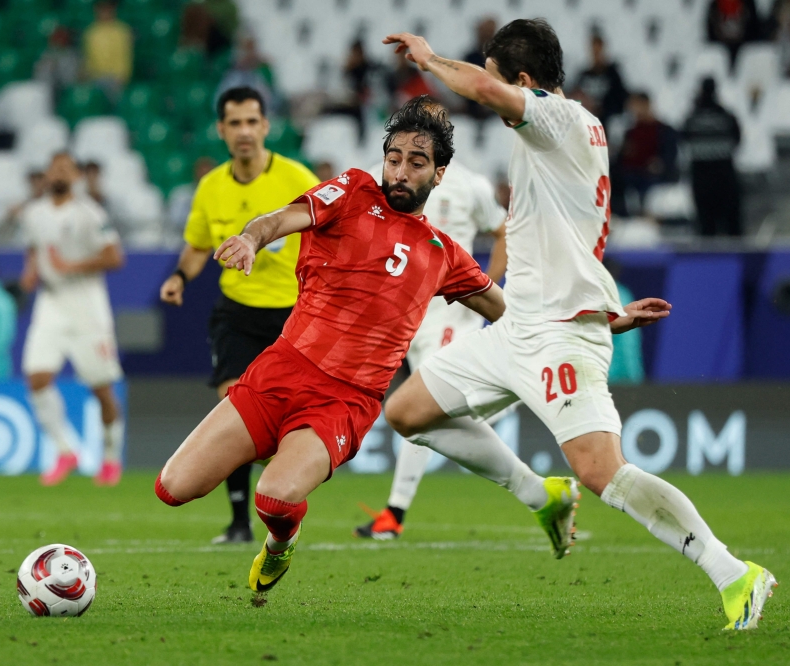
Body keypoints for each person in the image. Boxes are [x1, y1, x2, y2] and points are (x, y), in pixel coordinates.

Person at [382, 20, 776, 631]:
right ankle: (543, 495)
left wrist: (430, 60)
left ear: (523, 81)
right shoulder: (568, 131)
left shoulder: (559, 118)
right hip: (520, 325)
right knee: (407, 412)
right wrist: (606, 312)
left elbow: (491, 97)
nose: (490, 94)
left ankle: (735, 574)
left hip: (559, 333)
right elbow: (566, 227)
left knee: (601, 470)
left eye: (496, 80)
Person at [157, 96, 555, 590]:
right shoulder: (350, 191)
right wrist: (251, 239)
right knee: (172, 488)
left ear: (439, 173)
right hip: (280, 369)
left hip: (345, 399)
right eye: (394, 159)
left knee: (276, 500)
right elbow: (278, 219)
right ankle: (279, 451)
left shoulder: (444, 254)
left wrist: (599, 324)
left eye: (417, 162)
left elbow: (511, 314)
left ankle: (281, 541)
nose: (401, 172)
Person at [158, 87, 319, 545]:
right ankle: (237, 522)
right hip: (237, 313)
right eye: (236, 123)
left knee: (286, 422)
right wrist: (179, 278)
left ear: (266, 126)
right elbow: (197, 245)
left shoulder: (296, 177)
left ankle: (284, 497)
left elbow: (327, 231)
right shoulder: (211, 187)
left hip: (293, 315)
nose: (245, 131)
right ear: (222, 131)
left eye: (253, 122)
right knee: (234, 405)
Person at [355, 106, 509, 539]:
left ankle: (394, 515)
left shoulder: (469, 184)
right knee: (427, 410)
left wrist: (484, 287)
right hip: (400, 307)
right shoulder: (381, 173)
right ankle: (516, 399)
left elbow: (503, 230)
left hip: (448, 309)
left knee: (422, 406)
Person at [19, 152, 126, 487]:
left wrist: (70, 267)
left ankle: (110, 458)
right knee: (36, 377)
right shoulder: (33, 213)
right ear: (48, 173)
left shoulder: (89, 214)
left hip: (86, 304)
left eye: (66, 168)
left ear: (76, 175)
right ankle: (66, 451)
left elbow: (114, 257)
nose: (59, 173)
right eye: (55, 167)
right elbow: (35, 247)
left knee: (101, 389)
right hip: (50, 301)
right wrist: (31, 272)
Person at [682, 77, 743, 236]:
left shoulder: (692, 119)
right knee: (731, 224)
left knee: (706, 224)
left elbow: (684, 139)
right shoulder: (727, 117)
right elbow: (737, 140)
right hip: (725, 174)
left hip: (701, 176)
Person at [613, 92, 679, 217]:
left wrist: (660, 163)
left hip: (652, 177)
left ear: (647, 105)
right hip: (630, 176)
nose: (633, 111)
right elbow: (622, 159)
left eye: (636, 106)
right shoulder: (631, 132)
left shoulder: (664, 130)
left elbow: (669, 157)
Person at [573, 33, 628, 131]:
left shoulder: (613, 74)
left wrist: (603, 108)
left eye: (598, 51)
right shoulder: (584, 75)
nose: (596, 54)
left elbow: (621, 100)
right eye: (594, 51)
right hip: (586, 121)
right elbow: (575, 99)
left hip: (608, 121)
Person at [603, 258, 644, 385]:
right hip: (614, 378)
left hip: (610, 378)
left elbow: (628, 341)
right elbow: (628, 343)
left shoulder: (623, 295)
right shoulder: (623, 294)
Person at [82, 0, 133, 103]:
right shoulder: (90, 32)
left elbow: (125, 57)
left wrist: (122, 76)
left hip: (116, 78)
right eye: (102, 9)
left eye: (108, 9)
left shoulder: (122, 31)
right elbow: (88, 58)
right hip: (95, 78)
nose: (105, 12)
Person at [167, 156, 218, 230]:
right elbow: (176, 221)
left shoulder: (222, 195)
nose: (205, 176)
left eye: (209, 173)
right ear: (195, 172)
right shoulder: (181, 194)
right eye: (202, 172)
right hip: (182, 237)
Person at [706, 0, 764, 65]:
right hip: (721, 47)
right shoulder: (714, 6)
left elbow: (754, 30)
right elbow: (710, 34)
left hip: (744, 46)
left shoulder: (749, 5)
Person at [462, 17, 498, 119]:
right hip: (472, 106)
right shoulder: (470, 58)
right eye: (484, 33)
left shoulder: (501, 59)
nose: (486, 36)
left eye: (489, 33)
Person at [35, 26, 81, 105]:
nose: (59, 41)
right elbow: (40, 77)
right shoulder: (46, 55)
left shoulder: (72, 55)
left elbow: (73, 78)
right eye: (57, 38)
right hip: (49, 90)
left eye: (62, 38)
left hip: (67, 90)